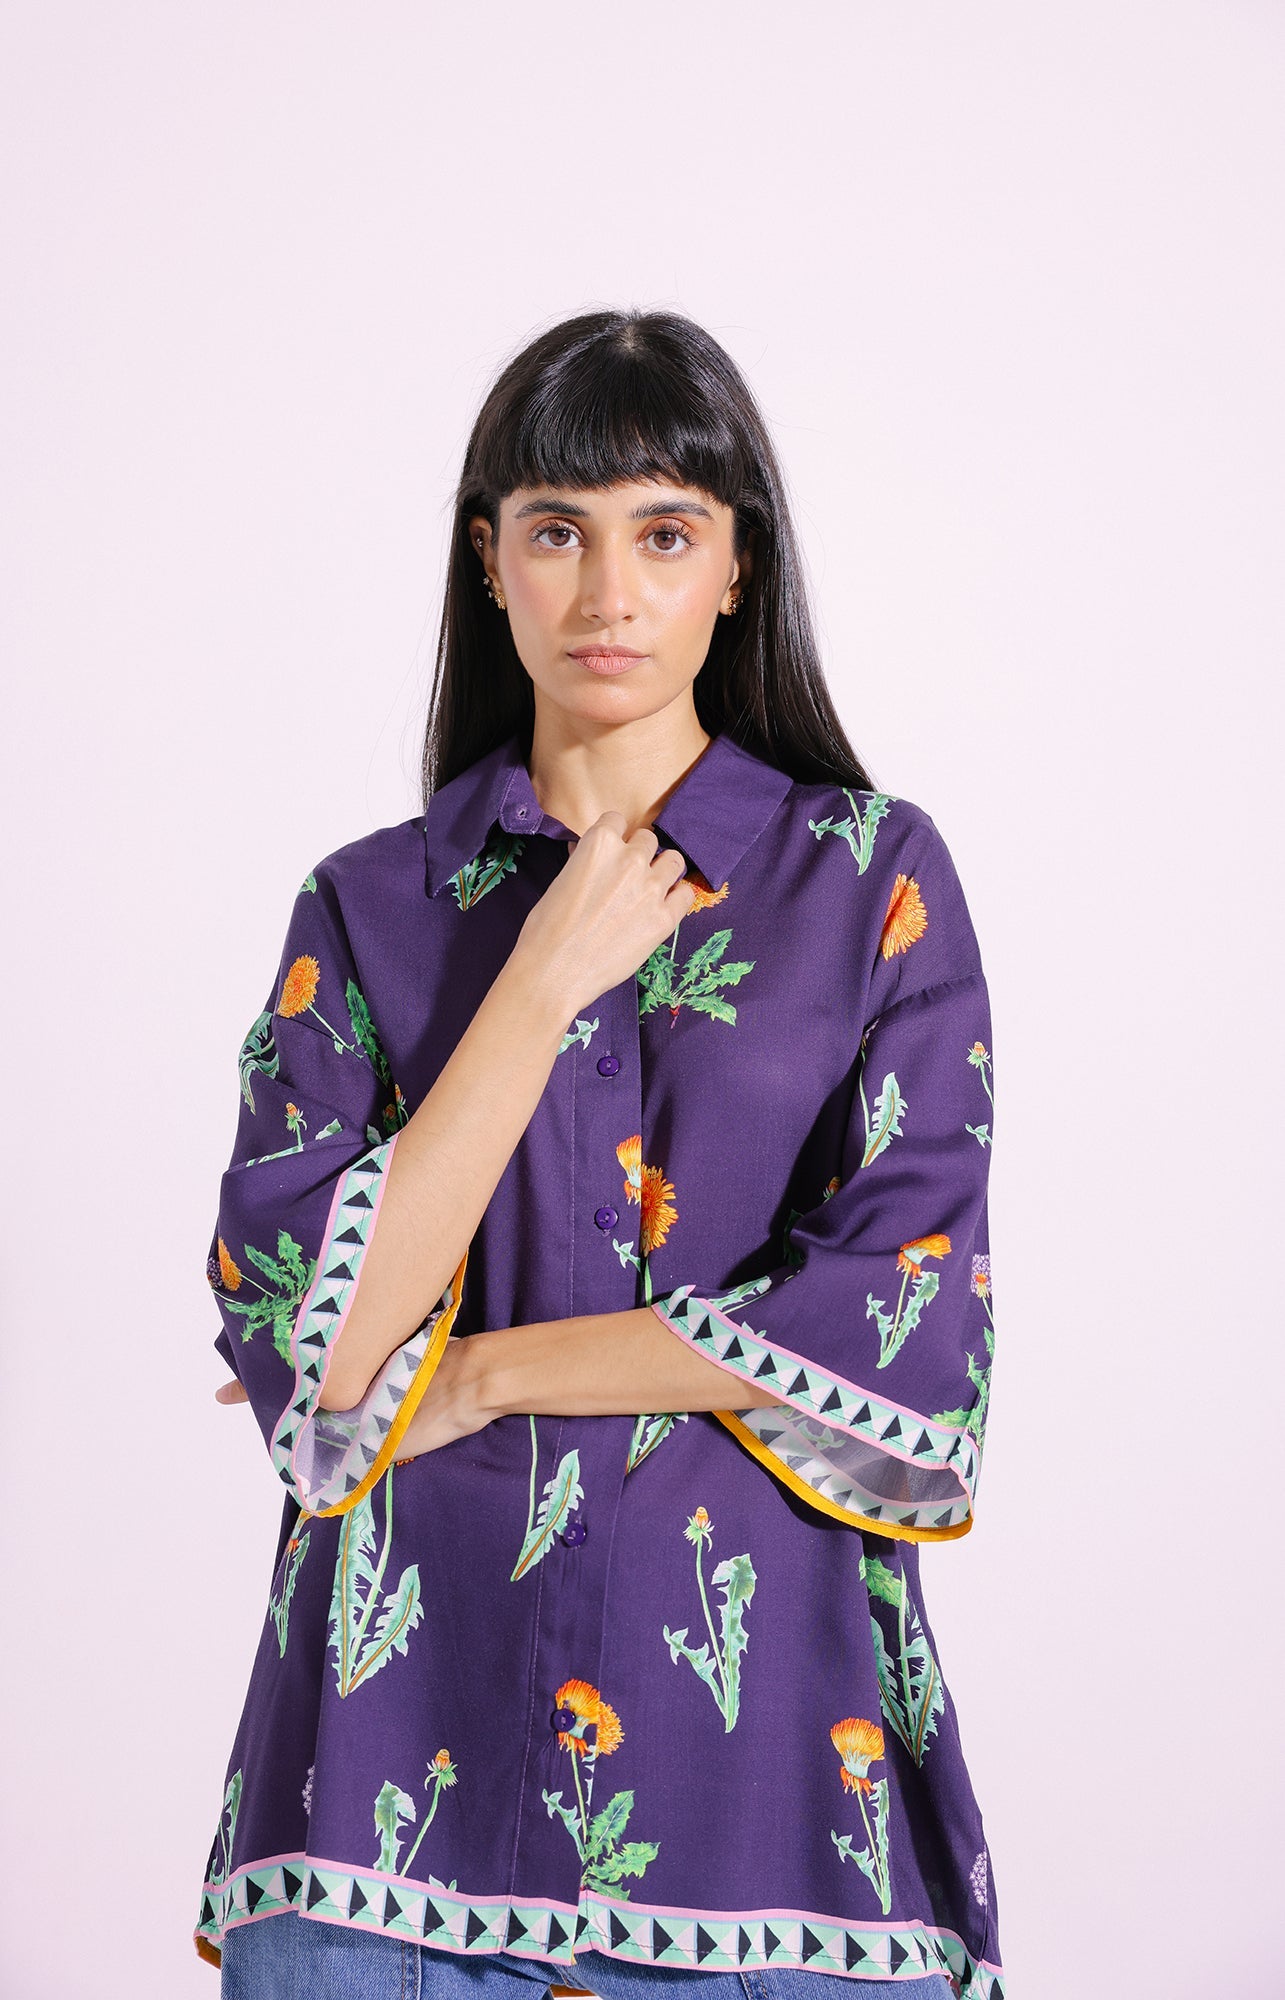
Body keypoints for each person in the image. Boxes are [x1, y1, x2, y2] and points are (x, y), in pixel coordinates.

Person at [194, 308, 1005, 2000]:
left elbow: (903, 1316)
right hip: (383, 1802)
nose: (607, 593)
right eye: (557, 532)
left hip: (771, 1808)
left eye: (664, 533)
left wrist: (479, 1374)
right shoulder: (367, 907)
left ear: (736, 566)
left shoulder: (870, 880)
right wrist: (541, 977)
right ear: (488, 559)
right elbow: (316, 1347)